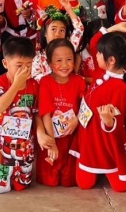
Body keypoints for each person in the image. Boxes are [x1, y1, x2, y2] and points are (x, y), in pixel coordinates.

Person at [71, 32, 126, 192]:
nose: (96, 55)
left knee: (121, 186)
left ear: (111, 60)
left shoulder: (121, 88)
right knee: (84, 184)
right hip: (88, 138)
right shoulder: (101, 71)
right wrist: (116, 28)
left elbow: (117, 124)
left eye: (100, 53)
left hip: (104, 142)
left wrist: (108, 121)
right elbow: (94, 42)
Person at [0, 36, 39, 194]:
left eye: (29, 65)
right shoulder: (0, 82)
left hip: (24, 145)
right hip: (1, 145)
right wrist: (16, 85)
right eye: (19, 65)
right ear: (6, 64)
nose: (25, 70)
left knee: (22, 185)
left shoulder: (34, 84)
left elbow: (36, 113)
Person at [35, 38, 87, 186]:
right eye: (59, 60)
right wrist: (52, 143)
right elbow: (45, 113)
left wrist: (77, 120)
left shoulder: (79, 81)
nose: (65, 65)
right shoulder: (45, 82)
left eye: (69, 59)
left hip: (71, 140)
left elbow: (86, 106)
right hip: (51, 138)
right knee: (49, 181)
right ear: (49, 63)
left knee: (69, 181)